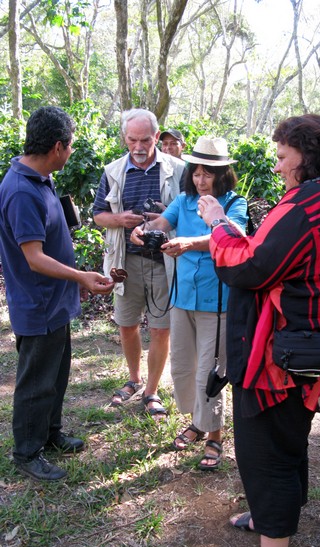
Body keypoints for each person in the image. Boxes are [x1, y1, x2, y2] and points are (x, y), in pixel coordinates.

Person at [197, 115, 320, 547]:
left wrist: (219, 223)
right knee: (287, 443)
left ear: (307, 156)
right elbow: (278, 259)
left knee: (265, 451)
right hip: (307, 346)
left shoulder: (306, 206)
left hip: (279, 355)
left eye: (284, 157)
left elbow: (249, 267)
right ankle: (274, 520)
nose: (278, 165)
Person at [0, 106, 114, 481]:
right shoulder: (20, 191)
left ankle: (50, 434)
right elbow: (33, 258)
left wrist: (73, 280)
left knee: (56, 374)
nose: (70, 154)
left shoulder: (40, 178)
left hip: (56, 302)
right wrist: (80, 276)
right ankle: (27, 452)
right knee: (36, 382)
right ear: (57, 146)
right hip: (38, 304)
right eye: (70, 147)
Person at [131, 136, 248, 469]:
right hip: (182, 298)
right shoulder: (183, 201)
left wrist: (189, 243)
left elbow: (228, 236)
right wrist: (144, 230)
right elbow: (161, 223)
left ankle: (215, 436)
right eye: (196, 173)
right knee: (183, 365)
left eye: (207, 174)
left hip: (217, 300)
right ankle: (198, 423)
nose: (201, 180)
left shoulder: (233, 203)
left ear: (222, 174)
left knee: (210, 372)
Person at [93, 109, 185, 418]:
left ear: (156, 137)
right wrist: (120, 220)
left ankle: (152, 390)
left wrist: (165, 215)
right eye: (132, 139)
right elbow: (98, 215)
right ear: (125, 138)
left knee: (161, 328)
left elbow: (191, 213)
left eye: (145, 139)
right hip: (125, 261)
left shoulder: (179, 169)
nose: (138, 146)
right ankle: (133, 379)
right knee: (127, 323)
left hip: (163, 262)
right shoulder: (113, 171)